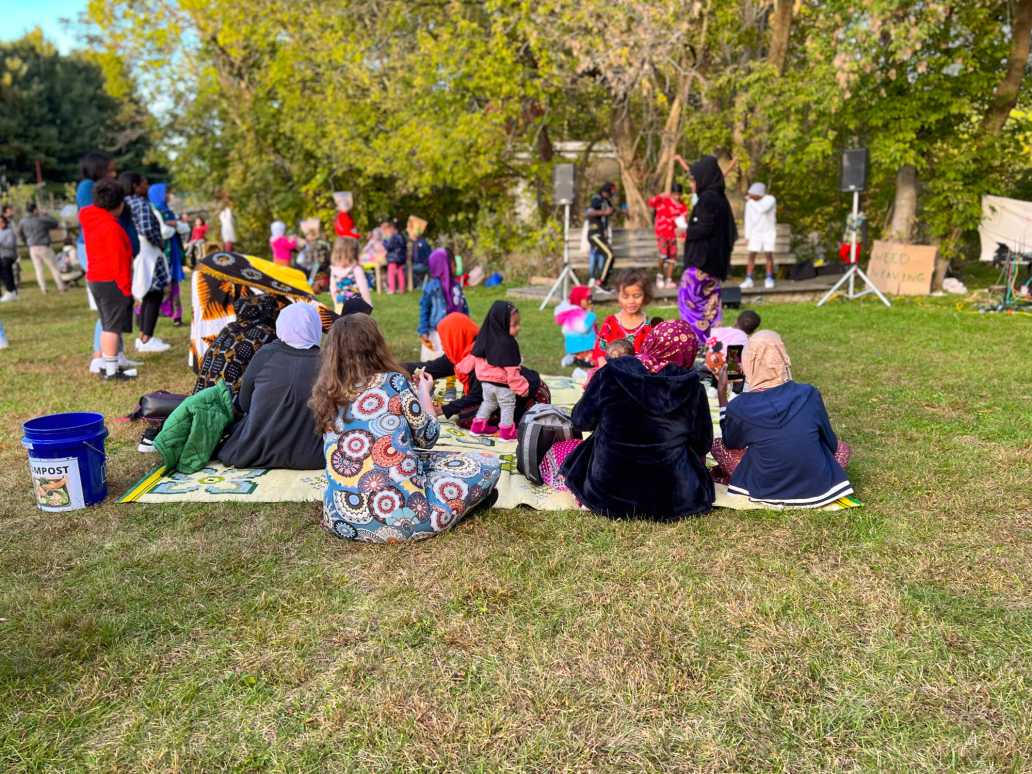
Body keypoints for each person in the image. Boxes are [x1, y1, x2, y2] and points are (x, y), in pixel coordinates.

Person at [310, 313, 501, 543]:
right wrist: (424, 395)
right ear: (377, 345)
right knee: (488, 462)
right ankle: (460, 506)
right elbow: (428, 437)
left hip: (341, 520)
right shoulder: (394, 382)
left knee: (422, 459)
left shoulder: (327, 394)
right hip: (407, 520)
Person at [554, 320, 714, 519]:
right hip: (673, 499)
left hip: (605, 493)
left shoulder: (613, 371)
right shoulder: (692, 387)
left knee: (591, 442)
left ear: (652, 341)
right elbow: (702, 443)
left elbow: (580, 420)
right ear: (688, 352)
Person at [712, 330, 853, 507]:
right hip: (818, 486)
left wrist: (722, 398)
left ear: (748, 361)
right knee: (843, 448)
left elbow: (730, 443)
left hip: (763, 487)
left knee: (717, 445)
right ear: (783, 357)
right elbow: (832, 444)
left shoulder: (739, 405)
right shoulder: (809, 393)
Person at [217, 302, 324, 470]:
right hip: (312, 455)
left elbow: (245, 403)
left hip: (255, 451)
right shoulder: (328, 361)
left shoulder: (266, 354)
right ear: (316, 327)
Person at [679, 155, 737, 347]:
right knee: (711, 310)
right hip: (714, 265)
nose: (692, 183)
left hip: (700, 264)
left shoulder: (707, 199)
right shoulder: (720, 198)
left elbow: (704, 228)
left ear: (703, 178)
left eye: (694, 179)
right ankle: (714, 349)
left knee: (691, 309)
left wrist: (686, 230)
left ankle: (694, 348)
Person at [81, 179, 136, 381]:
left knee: (106, 324)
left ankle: (108, 364)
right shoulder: (112, 228)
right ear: (119, 204)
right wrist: (126, 288)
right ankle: (112, 371)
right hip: (111, 281)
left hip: (95, 278)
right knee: (112, 327)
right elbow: (119, 261)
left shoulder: (91, 219)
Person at [118, 172, 171, 354]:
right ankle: (146, 337)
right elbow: (148, 229)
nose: (147, 187)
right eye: (144, 183)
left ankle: (144, 336)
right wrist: (160, 242)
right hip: (148, 251)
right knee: (153, 292)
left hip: (133, 252)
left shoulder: (122, 204)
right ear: (135, 185)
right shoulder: (140, 204)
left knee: (143, 292)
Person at [467, 301, 528, 440]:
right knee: (507, 405)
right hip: (502, 385)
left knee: (488, 403)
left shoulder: (485, 337)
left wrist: (462, 368)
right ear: (502, 323)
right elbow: (512, 371)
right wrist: (522, 388)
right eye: (514, 325)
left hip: (486, 383)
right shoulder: (508, 344)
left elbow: (473, 356)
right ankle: (506, 432)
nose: (518, 328)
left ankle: (478, 426)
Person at [591, 268, 654, 365]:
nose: (631, 301)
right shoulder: (611, 322)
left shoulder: (650, 326)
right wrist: (602, 364)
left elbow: (652, 356)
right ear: (618, 296)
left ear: (645, 296)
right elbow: (600, 352)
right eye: (625, 296)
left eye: (637, 296)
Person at [417, 248, 469, 359]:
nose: (455, 266)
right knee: (437, 360)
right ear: (443, 265)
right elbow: (424, 310)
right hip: (437, 334)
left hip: (455, 332)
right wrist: (423, 330)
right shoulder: (431, 287)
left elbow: (463, 306)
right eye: (453, 263)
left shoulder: (456, 286)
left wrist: (466, 326)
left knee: (455, 360)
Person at [148, 183, 186, 327]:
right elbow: (164, 232)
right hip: (164, 254)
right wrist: (174, 226)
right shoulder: (155, 211)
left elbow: (184, 228)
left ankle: (177, 316)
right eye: (166, 193)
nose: (168, 195)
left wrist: (174, 224)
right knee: (163, 285)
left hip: (174, 253)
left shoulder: (169, 211)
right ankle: (149, 312)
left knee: (175, 284)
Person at [16, 203, 65, 294]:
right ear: (35, 210)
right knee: (54, 267)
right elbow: (55, 223)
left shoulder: (22, 221)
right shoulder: (41, 219)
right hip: (44, 246)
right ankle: (61, 287)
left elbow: (19, 233)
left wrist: (25, 241)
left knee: (38, 269)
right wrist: (47, 214)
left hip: (32, 247)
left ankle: (43, 289)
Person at [648, 183, 689, 289]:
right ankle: (660, 276)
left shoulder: (682, 206)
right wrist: (660, 196)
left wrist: (684, 235)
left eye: (679, 194)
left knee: (672, 258)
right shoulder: (663, 201)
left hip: (673, 235)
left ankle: (669, 280)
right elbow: (650, 203)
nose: (677, 197)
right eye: (675, 194)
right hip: (662, 233)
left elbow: (683, 223)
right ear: (671, 194)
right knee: (662, 255)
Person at [742, 182, 777, 290]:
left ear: (760, 194)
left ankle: (769, 278)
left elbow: (762, 210)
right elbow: (748, 219)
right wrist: (747, 236)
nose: (751, 196)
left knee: (768, 255)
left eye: (753, 194)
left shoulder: (770, 199)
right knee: (751, 255)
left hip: (768, 232)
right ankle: (748, 279)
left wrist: (750, 201)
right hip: (755, 233)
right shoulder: (750, 203)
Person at [555, 285, 596, 368]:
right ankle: (579, 357)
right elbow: (583, 328)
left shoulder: (570, 312)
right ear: (579, 298)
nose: (590, 301)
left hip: (573, 347)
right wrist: (591, 315)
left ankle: (573, 356)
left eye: (591, 297)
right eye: (587, 298)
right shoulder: (578, 314)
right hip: (583, 348)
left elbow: (565, 331)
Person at [586, 182, 617, 287]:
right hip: (595, 234)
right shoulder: (597, 199)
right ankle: (600, 283)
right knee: (609, 255)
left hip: (602, 235)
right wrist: (605, 213)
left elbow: (611, 210)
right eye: (611, 191)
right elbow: (590, 212)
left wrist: (622, 211)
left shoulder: (606, 201)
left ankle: (602, 282)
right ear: (606, 190)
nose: (612, 194)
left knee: (609, 256)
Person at [329, 236, 372, 313]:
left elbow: (333, 290)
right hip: (356, 306)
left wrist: (336, 303)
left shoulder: (333, 270)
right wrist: (368, 305)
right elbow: (364, 289)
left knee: (343, 325)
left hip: (340, 306)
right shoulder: (356, 269)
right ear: (354, 254)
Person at [382, 221, 407, 293]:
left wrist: (384, 241)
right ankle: (402, 289)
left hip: (393, 258)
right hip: (401, 258)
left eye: (388, 229)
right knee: (400, 273)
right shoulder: (402, 236)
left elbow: (388, 247)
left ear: (392, 228)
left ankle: (392, 289)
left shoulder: (393, 237)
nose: (388, 231)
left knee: (391, 274)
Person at [0, 215, 18, 302]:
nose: (0, 224)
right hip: (1, 256)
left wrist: (1, 244)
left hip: (8, 256)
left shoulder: (10, 232)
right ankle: (11, 291)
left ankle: (10, 291)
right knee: (3, 274)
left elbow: (11, 245)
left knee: (6, 270)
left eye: (2, 222)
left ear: (5, 222)